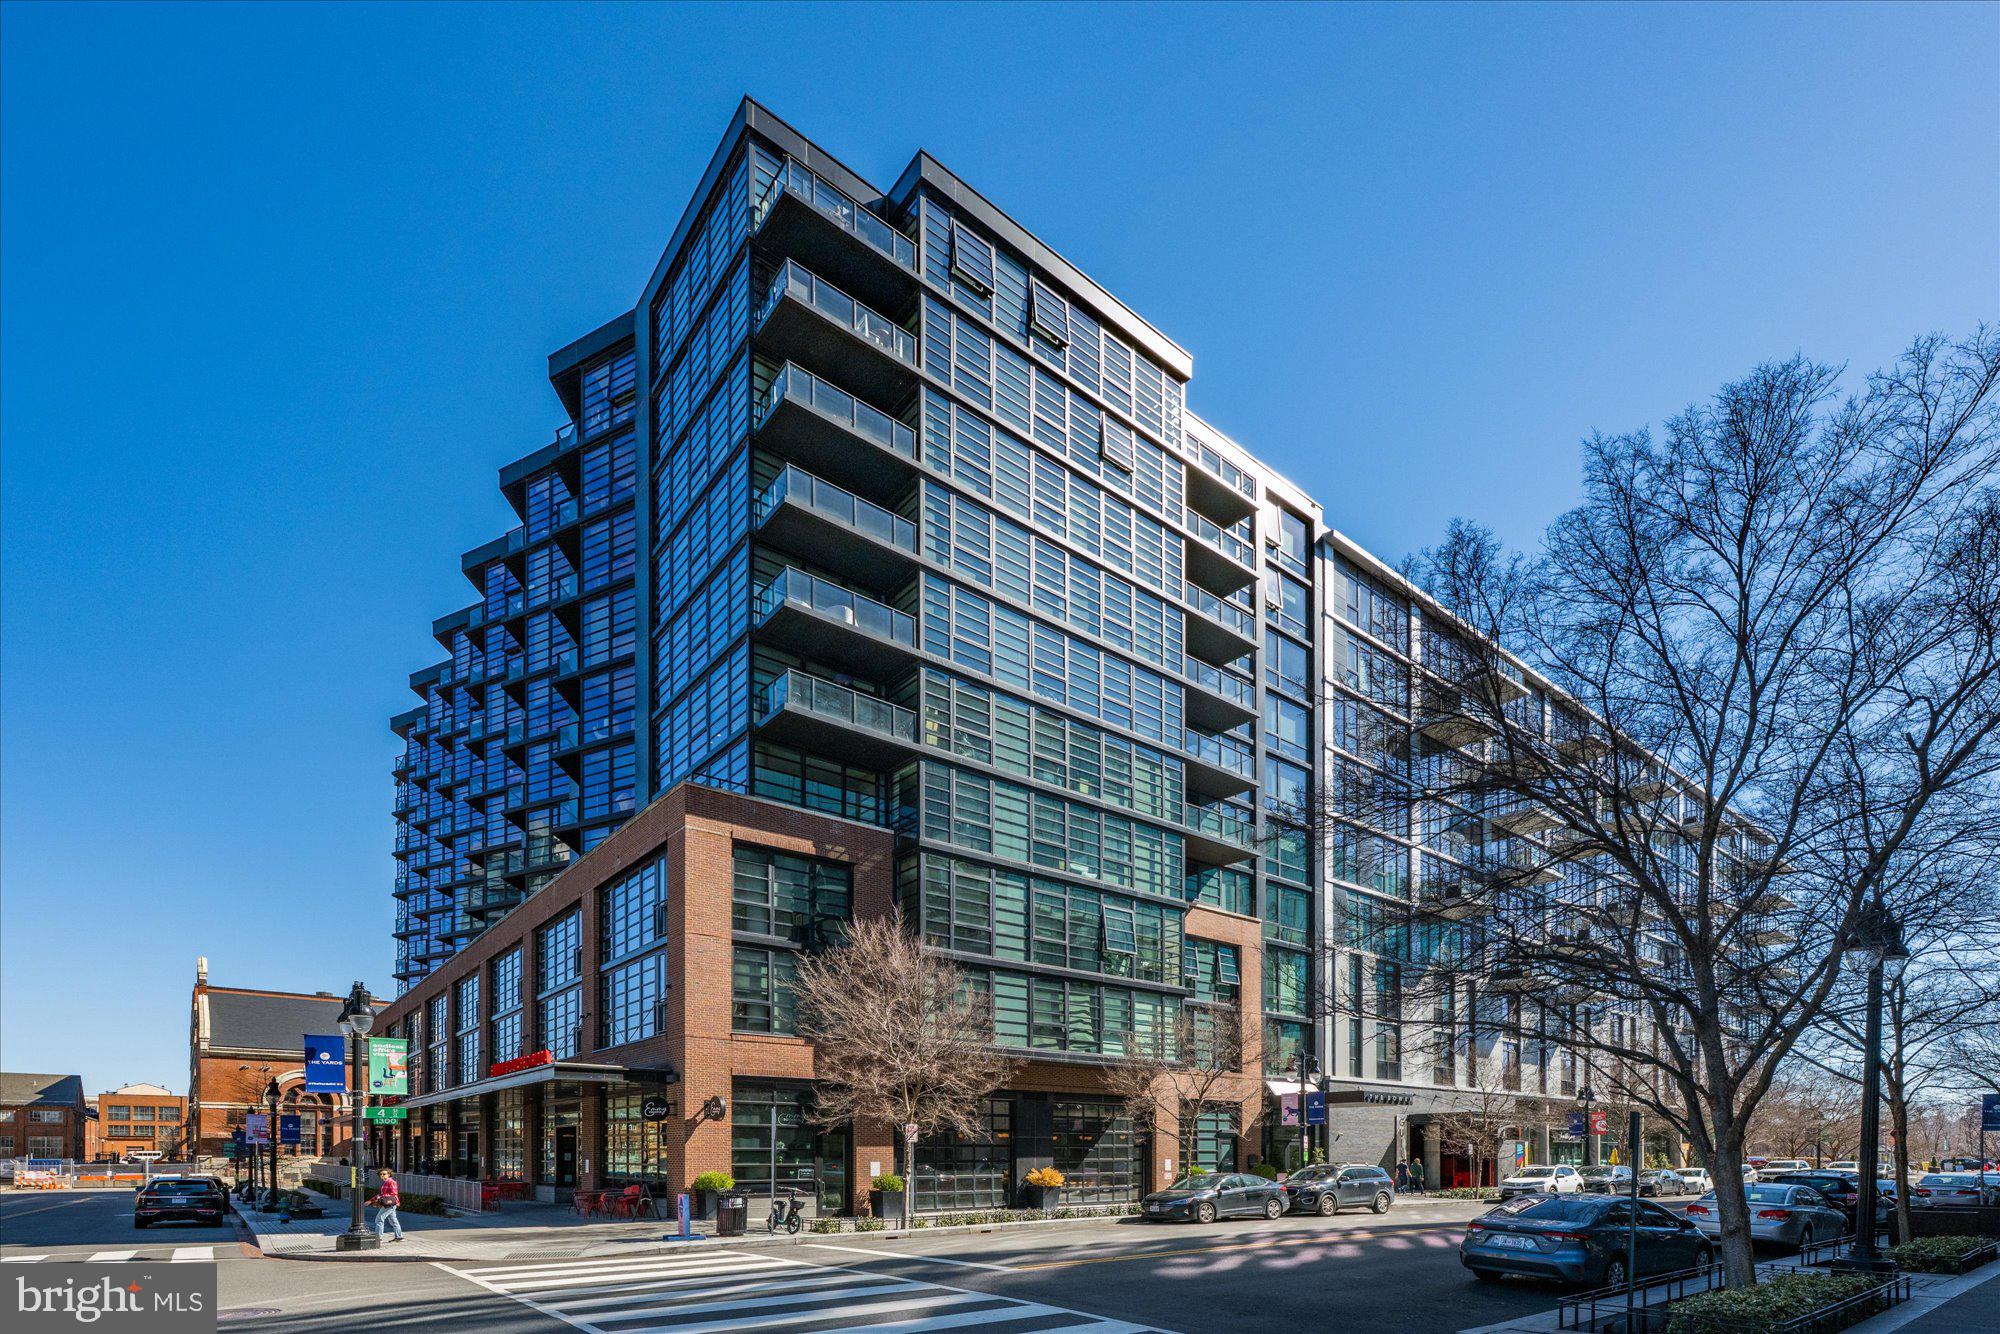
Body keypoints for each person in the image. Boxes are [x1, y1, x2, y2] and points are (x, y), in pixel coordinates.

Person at [369, 1168, 404, 1242]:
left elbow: (394, 1193)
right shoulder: (385, 1182)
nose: (382, 1175)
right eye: (381, 1174)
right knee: (393, 1221)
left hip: (389, 1204)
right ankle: (399, 1237)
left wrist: (380, 1197)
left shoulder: (391, 1182)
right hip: (390, 1204)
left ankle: (378, 1238)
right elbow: (381, 1194)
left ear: (389, 1174)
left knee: (379, 1219)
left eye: (384, 1174)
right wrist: (371, 1200)